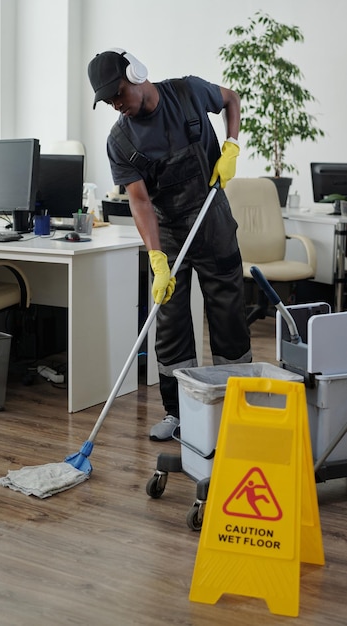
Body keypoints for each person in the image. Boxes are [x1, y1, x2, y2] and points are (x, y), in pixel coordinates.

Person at [88, 48, 252, 441]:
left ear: (136, 73)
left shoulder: (188, 92)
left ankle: (238, 406)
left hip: (212, 220)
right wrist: (156, 258)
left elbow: (231, 99)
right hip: (169, 235)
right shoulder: (120, 140)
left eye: (118, 94)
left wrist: (231, 145)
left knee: (228, 316)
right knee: (171, 324)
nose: (116, 105)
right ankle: (179, 414)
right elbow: (140, 200)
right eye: (108, 100)